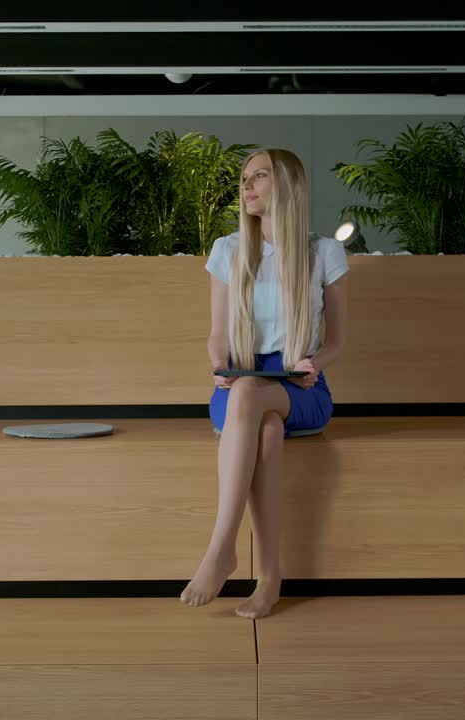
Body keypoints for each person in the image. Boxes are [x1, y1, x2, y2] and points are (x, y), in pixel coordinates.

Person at [180, 148, 350, 619]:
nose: (247, 185)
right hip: (239, 380)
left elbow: (338, 340)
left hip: (301, 388)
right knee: (266, 431)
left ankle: (221, 547)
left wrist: (313, 361)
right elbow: (217, 335)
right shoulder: (228, 250)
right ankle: (269, 580)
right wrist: (220, 364)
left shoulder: (324, 252)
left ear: (288, 185)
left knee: (255, 399)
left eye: (259, 176)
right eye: (244, 178)